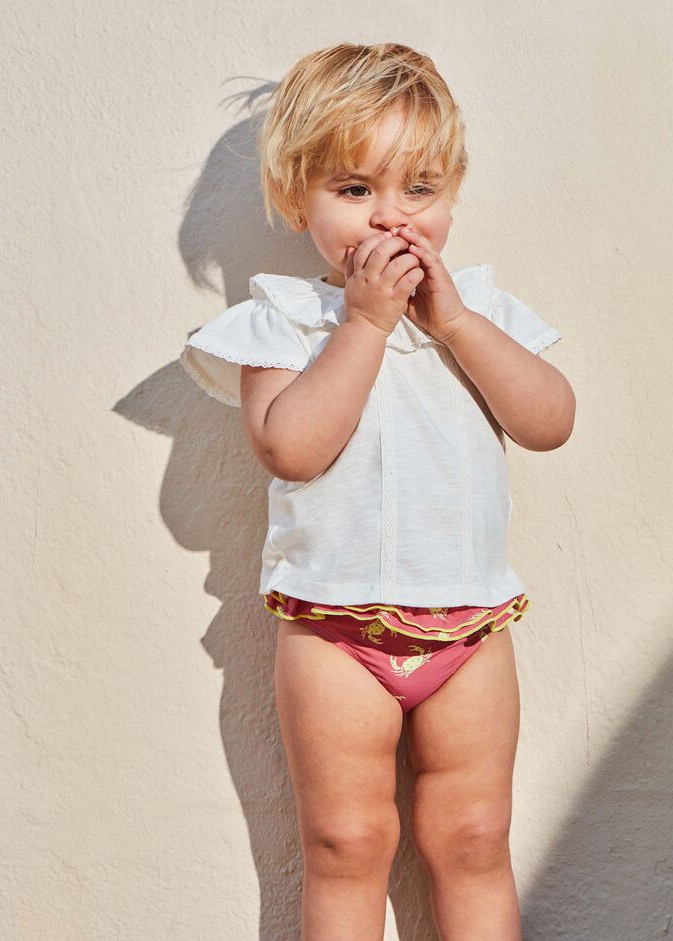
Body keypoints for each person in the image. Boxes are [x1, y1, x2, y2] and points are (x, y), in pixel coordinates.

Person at [180, 41, 575, 941]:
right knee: (345, 838)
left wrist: (459, 325)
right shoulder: (285, 321)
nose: (391, 218)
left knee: (474, 837)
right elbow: (292, 447)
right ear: (296, 198)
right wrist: (363, 323)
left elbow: (550, 419)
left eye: (420, 190)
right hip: (332, 631)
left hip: (470, 631)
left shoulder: (478, 312)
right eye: (355, 190)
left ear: (453, 194)